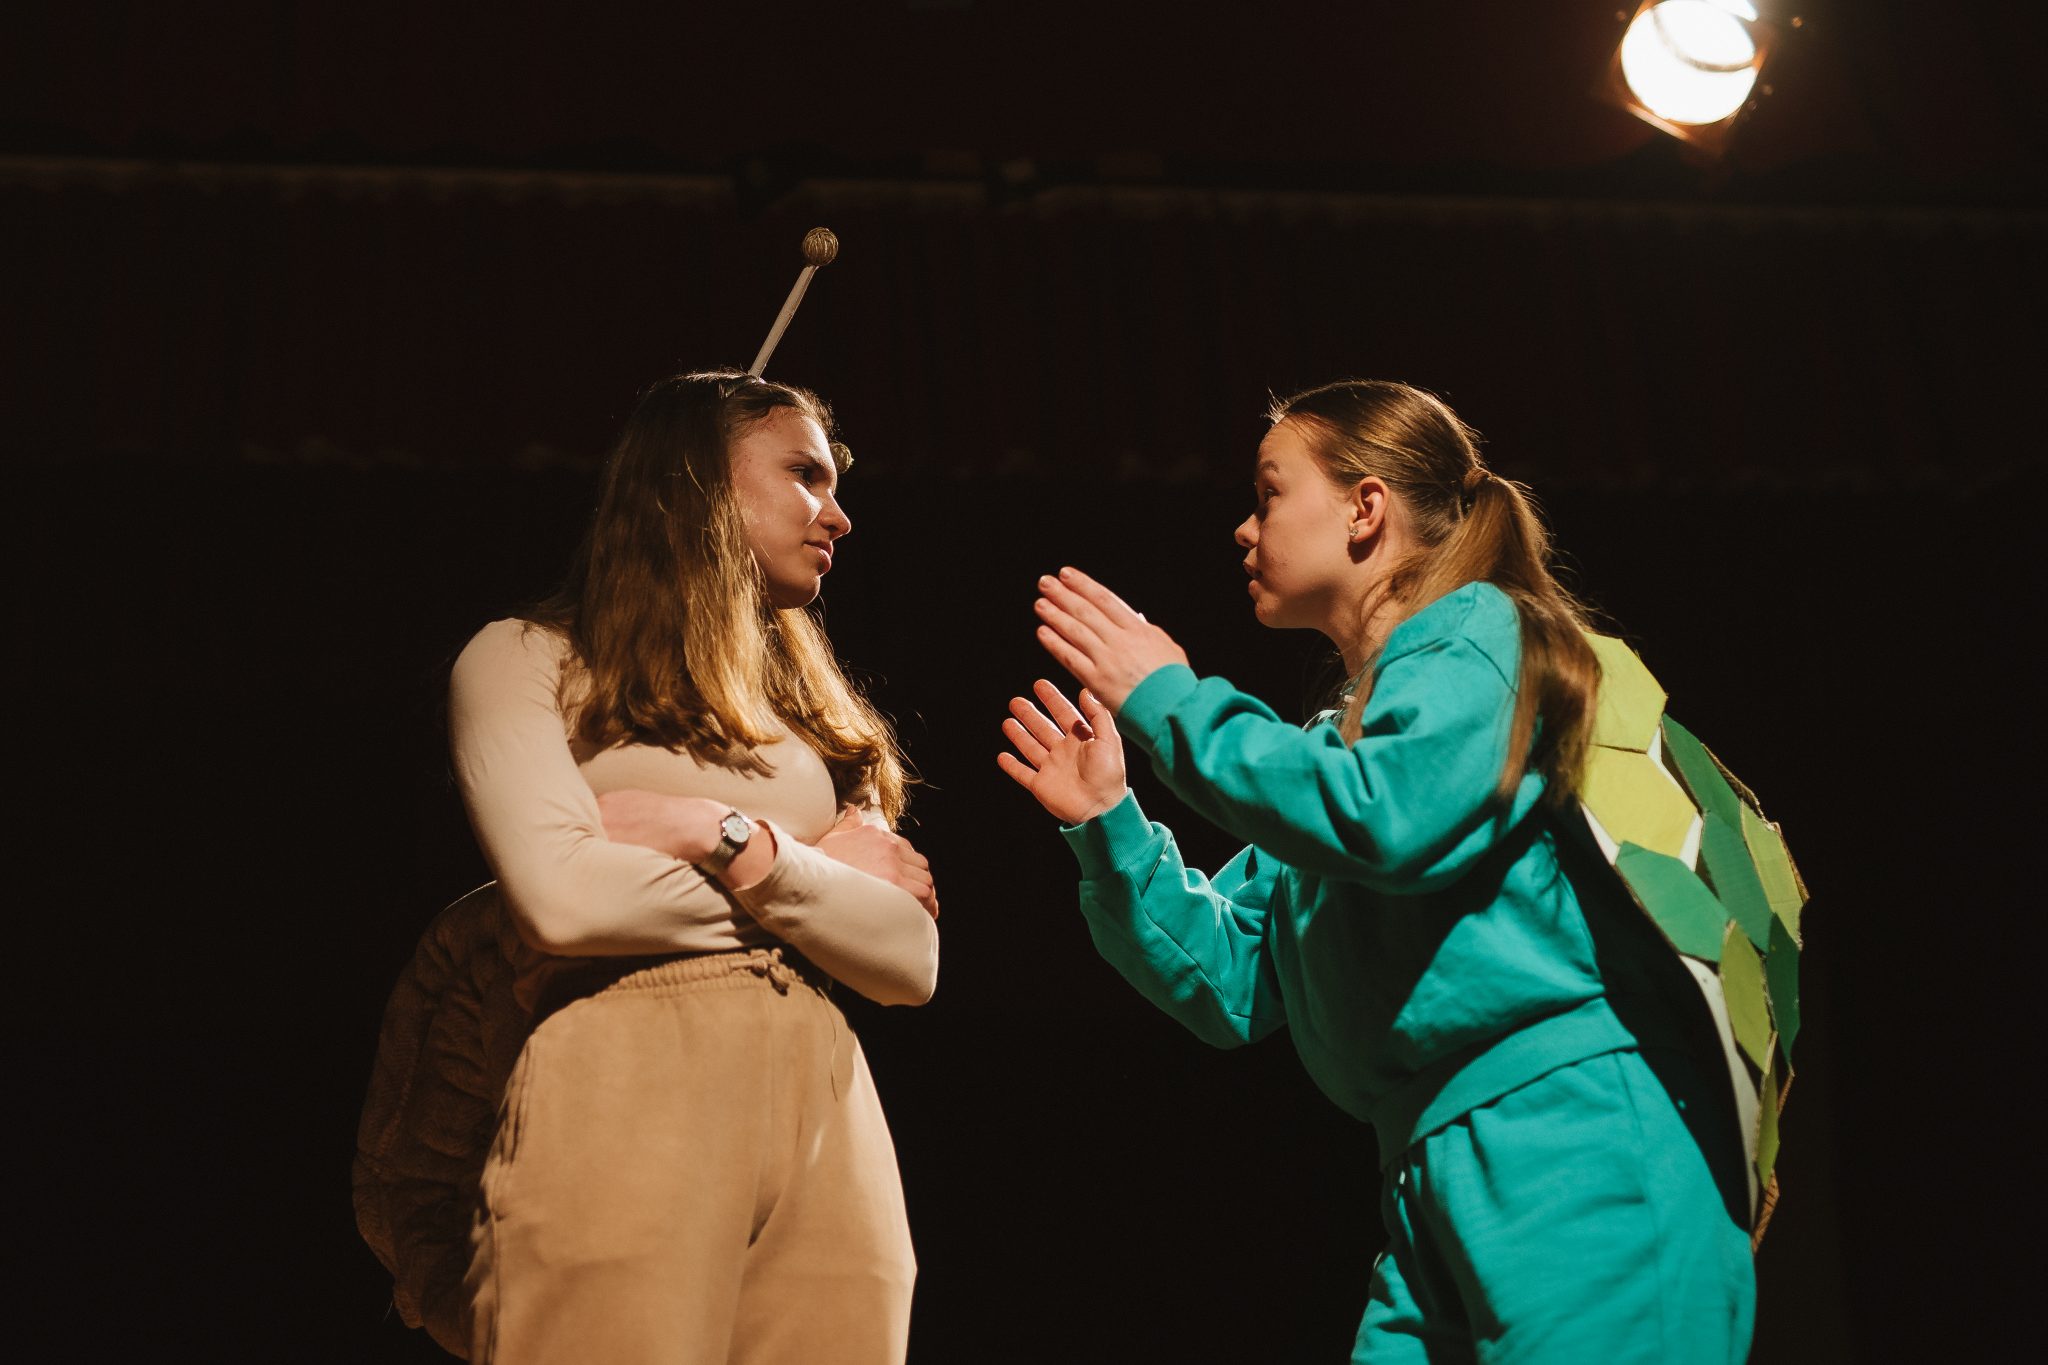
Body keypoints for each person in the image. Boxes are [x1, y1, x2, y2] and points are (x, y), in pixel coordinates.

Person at [997, 379, 1755, 1363]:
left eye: (1269, 493)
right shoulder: (1347, 743)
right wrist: (1107, 821)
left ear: (1365, 509)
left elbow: (1378, 816)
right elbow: (1229, 980)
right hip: (1428, 1172)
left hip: (1573, 1145)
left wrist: (1167, 697)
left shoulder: (1487, 635)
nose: (1244, 528)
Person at [366, 369, 939, 1365]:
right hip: (625, 1074)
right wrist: (814, 878)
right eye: (804, 474)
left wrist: (723, 836)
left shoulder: (817, 717)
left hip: (828, 1103)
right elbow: (562, 901)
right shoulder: (525, 657)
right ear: (697, 481)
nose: (838, 514)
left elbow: (906, 957)